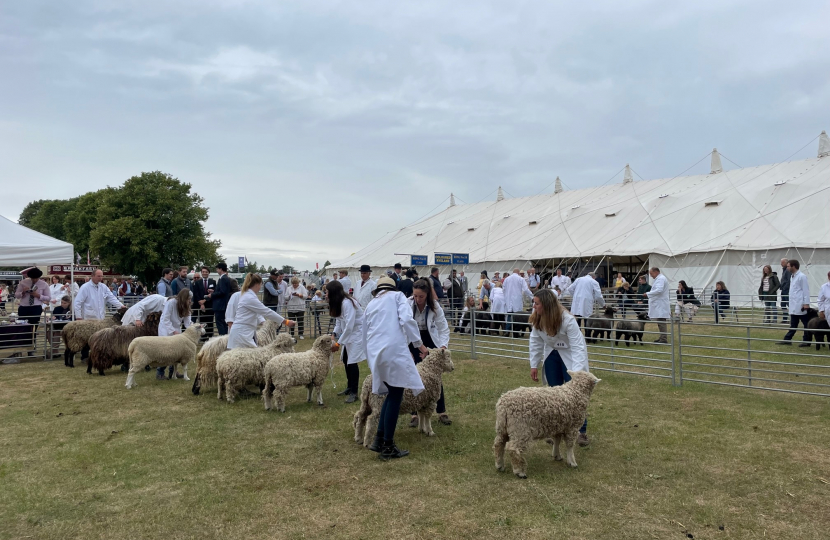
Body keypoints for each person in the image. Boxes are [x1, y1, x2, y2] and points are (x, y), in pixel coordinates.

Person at [363, 276, 428, 460]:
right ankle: (388, 446)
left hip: (376, 352)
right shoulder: (398, 296)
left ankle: (379, 439)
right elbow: (407, 320)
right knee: (396, 393)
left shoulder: (371, 304)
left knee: (391, 393)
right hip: (392, 350)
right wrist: (419, 344)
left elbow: (364, 332)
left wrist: (370, 358)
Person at [528, 288, 591, 447]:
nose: (534, 306)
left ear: (547, 305)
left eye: (537, 303)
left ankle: (580, 431)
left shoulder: (568, 320)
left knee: (575, 396)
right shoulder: (538, 319)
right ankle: (555, 430)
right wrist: (533, 364)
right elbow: (535, 341)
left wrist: (577, 372)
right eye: (534, 303)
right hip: (552, 353)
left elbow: (578, 346)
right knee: (554, 394)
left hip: (570, 354)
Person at [407, 278, 451, 426]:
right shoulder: (407, 304)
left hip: (430, 340)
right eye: (415, 296)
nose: (418, 299)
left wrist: (443, 347)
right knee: (413, 375)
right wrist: (407, 350)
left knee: (434, 377)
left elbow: (443, 328)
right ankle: (414, 413)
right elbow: (402, 327)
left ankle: (441, 411)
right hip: (412, 340)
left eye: (421, 296)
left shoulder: (435, 306)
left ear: (427, 295)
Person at [227, 273, 294, 349]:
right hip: (242, 334)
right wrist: (286, 322)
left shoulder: (248, 295)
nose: (260, 287)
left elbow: (259, 312)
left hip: (244, 333)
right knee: (249, 358)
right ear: (257, 284)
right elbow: (267, 311)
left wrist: (263, 322)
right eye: (260, 285)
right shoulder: (249, 297)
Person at [328, 280, 366, 403]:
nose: (326, 294)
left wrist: (339, 343)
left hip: (357, 333)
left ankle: (354, 392)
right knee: (345, 359)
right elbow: (339, 320)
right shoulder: (339, 303)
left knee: (352, 361)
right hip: (349, 333)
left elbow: (350, 325)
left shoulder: (347, 303)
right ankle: (350, 387)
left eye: (327, 291)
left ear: (333, 292)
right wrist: (334, 333)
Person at [156, 289, 193, 380]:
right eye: (188, 299)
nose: (190, 301)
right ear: (184, 298)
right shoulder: (171, 303)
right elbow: (165, 318)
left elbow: (188, 323)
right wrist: (173, 331)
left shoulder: (186, 306)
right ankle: (160, 373)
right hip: (166, 328)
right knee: (165, 351)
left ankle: (173, 372)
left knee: (176, 352)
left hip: (176, 328)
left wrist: (194, 328)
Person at [14, 268, 51, 357]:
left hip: (35, 308)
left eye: (36, 278)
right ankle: (19, 348)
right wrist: (23, 292)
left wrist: (38, 295)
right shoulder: (23, 282)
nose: (34, 280)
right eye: (32, 278)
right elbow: (16, 295)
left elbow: (48, 297)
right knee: (22, 328)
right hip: (23, 307)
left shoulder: (44, 284)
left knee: (33, 329)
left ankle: (31, 349)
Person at [776, 260, 811, 347]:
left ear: (793, 266)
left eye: (788, 266)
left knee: (806, 324)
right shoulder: (792, 276)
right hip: (794, 304)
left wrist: (806, 303)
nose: (787, 268)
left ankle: (807, 340)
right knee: (793, 324)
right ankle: (787, 339)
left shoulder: (802, 276)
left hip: (800, 304)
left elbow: (806, 291)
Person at [503, 268, 534, 335]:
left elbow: (504, 289)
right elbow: (525, 290)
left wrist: (505, 299)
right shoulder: (520, 279)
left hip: (509, 300)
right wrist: (532, 297)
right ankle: (515, 332)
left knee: (509, 316)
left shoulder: (507, 279)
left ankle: (507, 331)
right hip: (517, 300)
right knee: (518, 317)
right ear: (519, 273)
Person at [645, 268, 670, 343]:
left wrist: (648, 294)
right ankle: (662, 337)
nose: (651, 276)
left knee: (661, 321)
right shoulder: (659, 278)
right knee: (660, 321)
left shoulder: (661, 279)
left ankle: (663, 339)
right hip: (659, 303)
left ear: (656, 272)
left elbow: (659, 290)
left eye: (651, 274)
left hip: (661, 303)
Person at [208, 262, 232, 335]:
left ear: (220, 269)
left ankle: (223, 339)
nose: (217, 270)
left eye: (217, 269)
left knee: (220, 324)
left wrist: (212, 295)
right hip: (222, 305)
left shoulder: (223, 278)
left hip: (220, 306)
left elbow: (222, 292)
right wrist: (214, 291)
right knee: (223, 324)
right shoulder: (225, 278)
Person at [192, 266, 215, 339]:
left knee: (210, 320)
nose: (204, 273)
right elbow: (196, 294)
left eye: (206, 272)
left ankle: (210, 336)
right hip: (200, 305)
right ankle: (203, 337)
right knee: (202, 321)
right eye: (203, 272)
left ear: (208, 273)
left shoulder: (213, 282)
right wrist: (201, 303)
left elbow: (214, 293)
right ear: (201, 273)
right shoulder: (198, 282)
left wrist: (205, 300)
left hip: (209, 304)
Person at [780, 258, 792, 324]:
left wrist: (785, 288)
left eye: (782, 262)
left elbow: (788, 280)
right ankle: (785, 318)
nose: (781, 264)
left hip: (786, 290)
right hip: (783, 290)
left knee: (789, 304)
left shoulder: (787, 270)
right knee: (783, 304)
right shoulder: (784, 270)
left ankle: (791, 318)